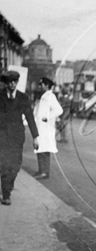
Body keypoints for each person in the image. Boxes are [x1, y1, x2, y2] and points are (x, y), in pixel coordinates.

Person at [0, 71, 39, 205]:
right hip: (3, 136)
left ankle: (8, 185)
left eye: (14, 81)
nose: (12, 84)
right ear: (5, 83)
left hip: (17, 137)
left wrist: (35, 136)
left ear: (17, 82)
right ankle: (6, 195)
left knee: (16, 166)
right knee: (5, 165)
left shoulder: (23, 98)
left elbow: (30, 117)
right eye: (10, 81)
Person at [33, 77, 63, 180]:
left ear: (46, 85)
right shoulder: (43, 96)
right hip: (40, 128)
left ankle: (44, 172)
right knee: (40, 148)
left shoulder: (51, 96)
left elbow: (59, 110)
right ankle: (41, 170)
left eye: (42, 85)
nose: (40, 87)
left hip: (46, 128)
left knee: (44, 150)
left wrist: (48, 117)